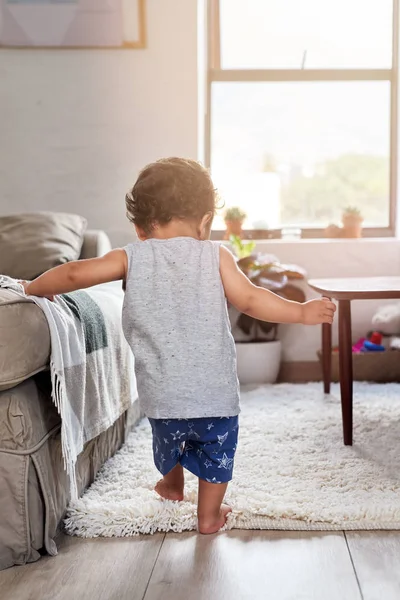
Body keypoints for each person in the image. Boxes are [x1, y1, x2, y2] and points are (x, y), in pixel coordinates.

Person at [21, 157, 336, 534]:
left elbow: (75, 272)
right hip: (214, 395)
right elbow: (251, 300)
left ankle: (171, 483)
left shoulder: (130, 256)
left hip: (161, 392)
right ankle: (208, 516)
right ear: (205, 222)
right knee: (217, 453)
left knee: (168, 441)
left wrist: (32, 287)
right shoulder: (216, 255)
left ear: (139, 228)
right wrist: (301, 312)